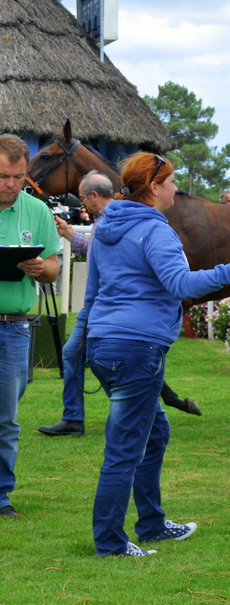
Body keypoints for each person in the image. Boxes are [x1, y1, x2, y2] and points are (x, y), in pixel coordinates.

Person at [80, 152, 230, 556]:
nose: (175, 190)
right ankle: (111, 542)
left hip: (104, 345)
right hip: (136, 349)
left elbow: (92, 295)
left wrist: (78, 347)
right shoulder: (154, 230)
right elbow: (181, 285)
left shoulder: (105, 227)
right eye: (171, 182)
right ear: (153, 188)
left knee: (154, 432)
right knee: (125, 449)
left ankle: (151, 524)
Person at [0, 134, 61, 520]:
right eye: (3, 175)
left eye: (18, 177)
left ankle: (1, 497)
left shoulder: (36, 211)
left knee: (6, 417)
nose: (10, 184)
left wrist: (42, 268)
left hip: (14, 328)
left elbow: (54, 266)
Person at [40, 171, 114, 438]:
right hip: (94, 306)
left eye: (83, 198)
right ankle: (73, 418)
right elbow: (94, 250)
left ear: (95, 196)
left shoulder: (112, 220)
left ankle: (134, 413)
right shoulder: (104, 220)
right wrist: (70, 232)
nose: (81, 204)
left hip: (105, 307)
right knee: (73, 354)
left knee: (105, 361)